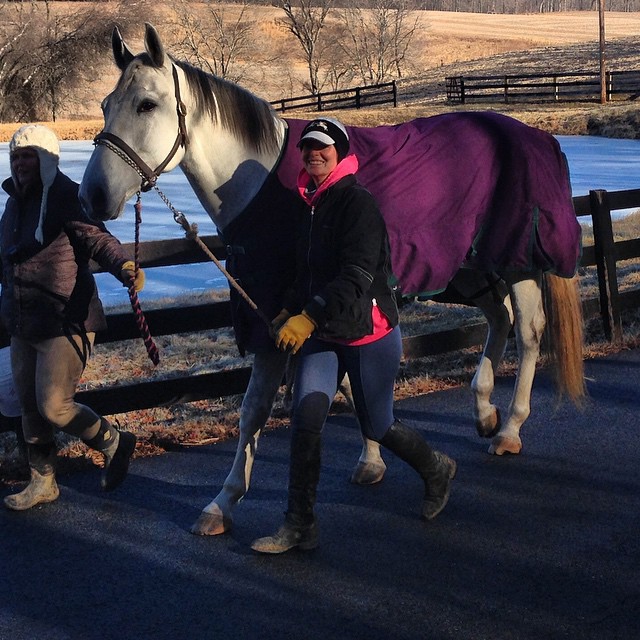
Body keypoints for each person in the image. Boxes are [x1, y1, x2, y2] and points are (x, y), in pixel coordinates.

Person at [251, 117, 457, 554]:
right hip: (324, 333)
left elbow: (358, 274)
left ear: (341, 153)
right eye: (307, 147)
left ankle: (436, 468)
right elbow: (307, 272)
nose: (313, 154)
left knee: (378, 426)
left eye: (323, 147)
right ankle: (299, 524)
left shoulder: (356, 202)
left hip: (368, 332)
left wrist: (306, 317)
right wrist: (290, 307)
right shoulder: (309, 202)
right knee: (305, 420)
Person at [0, 124, 144, 511]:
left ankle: (114, 441)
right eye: (15, 157)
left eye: (27, 156)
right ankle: (42, 481)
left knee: (53, 405)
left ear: (46, 159)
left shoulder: (65, 195)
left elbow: (97, 237)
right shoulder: (15, 201)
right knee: (29, 407)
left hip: (65, 320)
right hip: (22, 321)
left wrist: (124, 265)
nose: (20, 164)